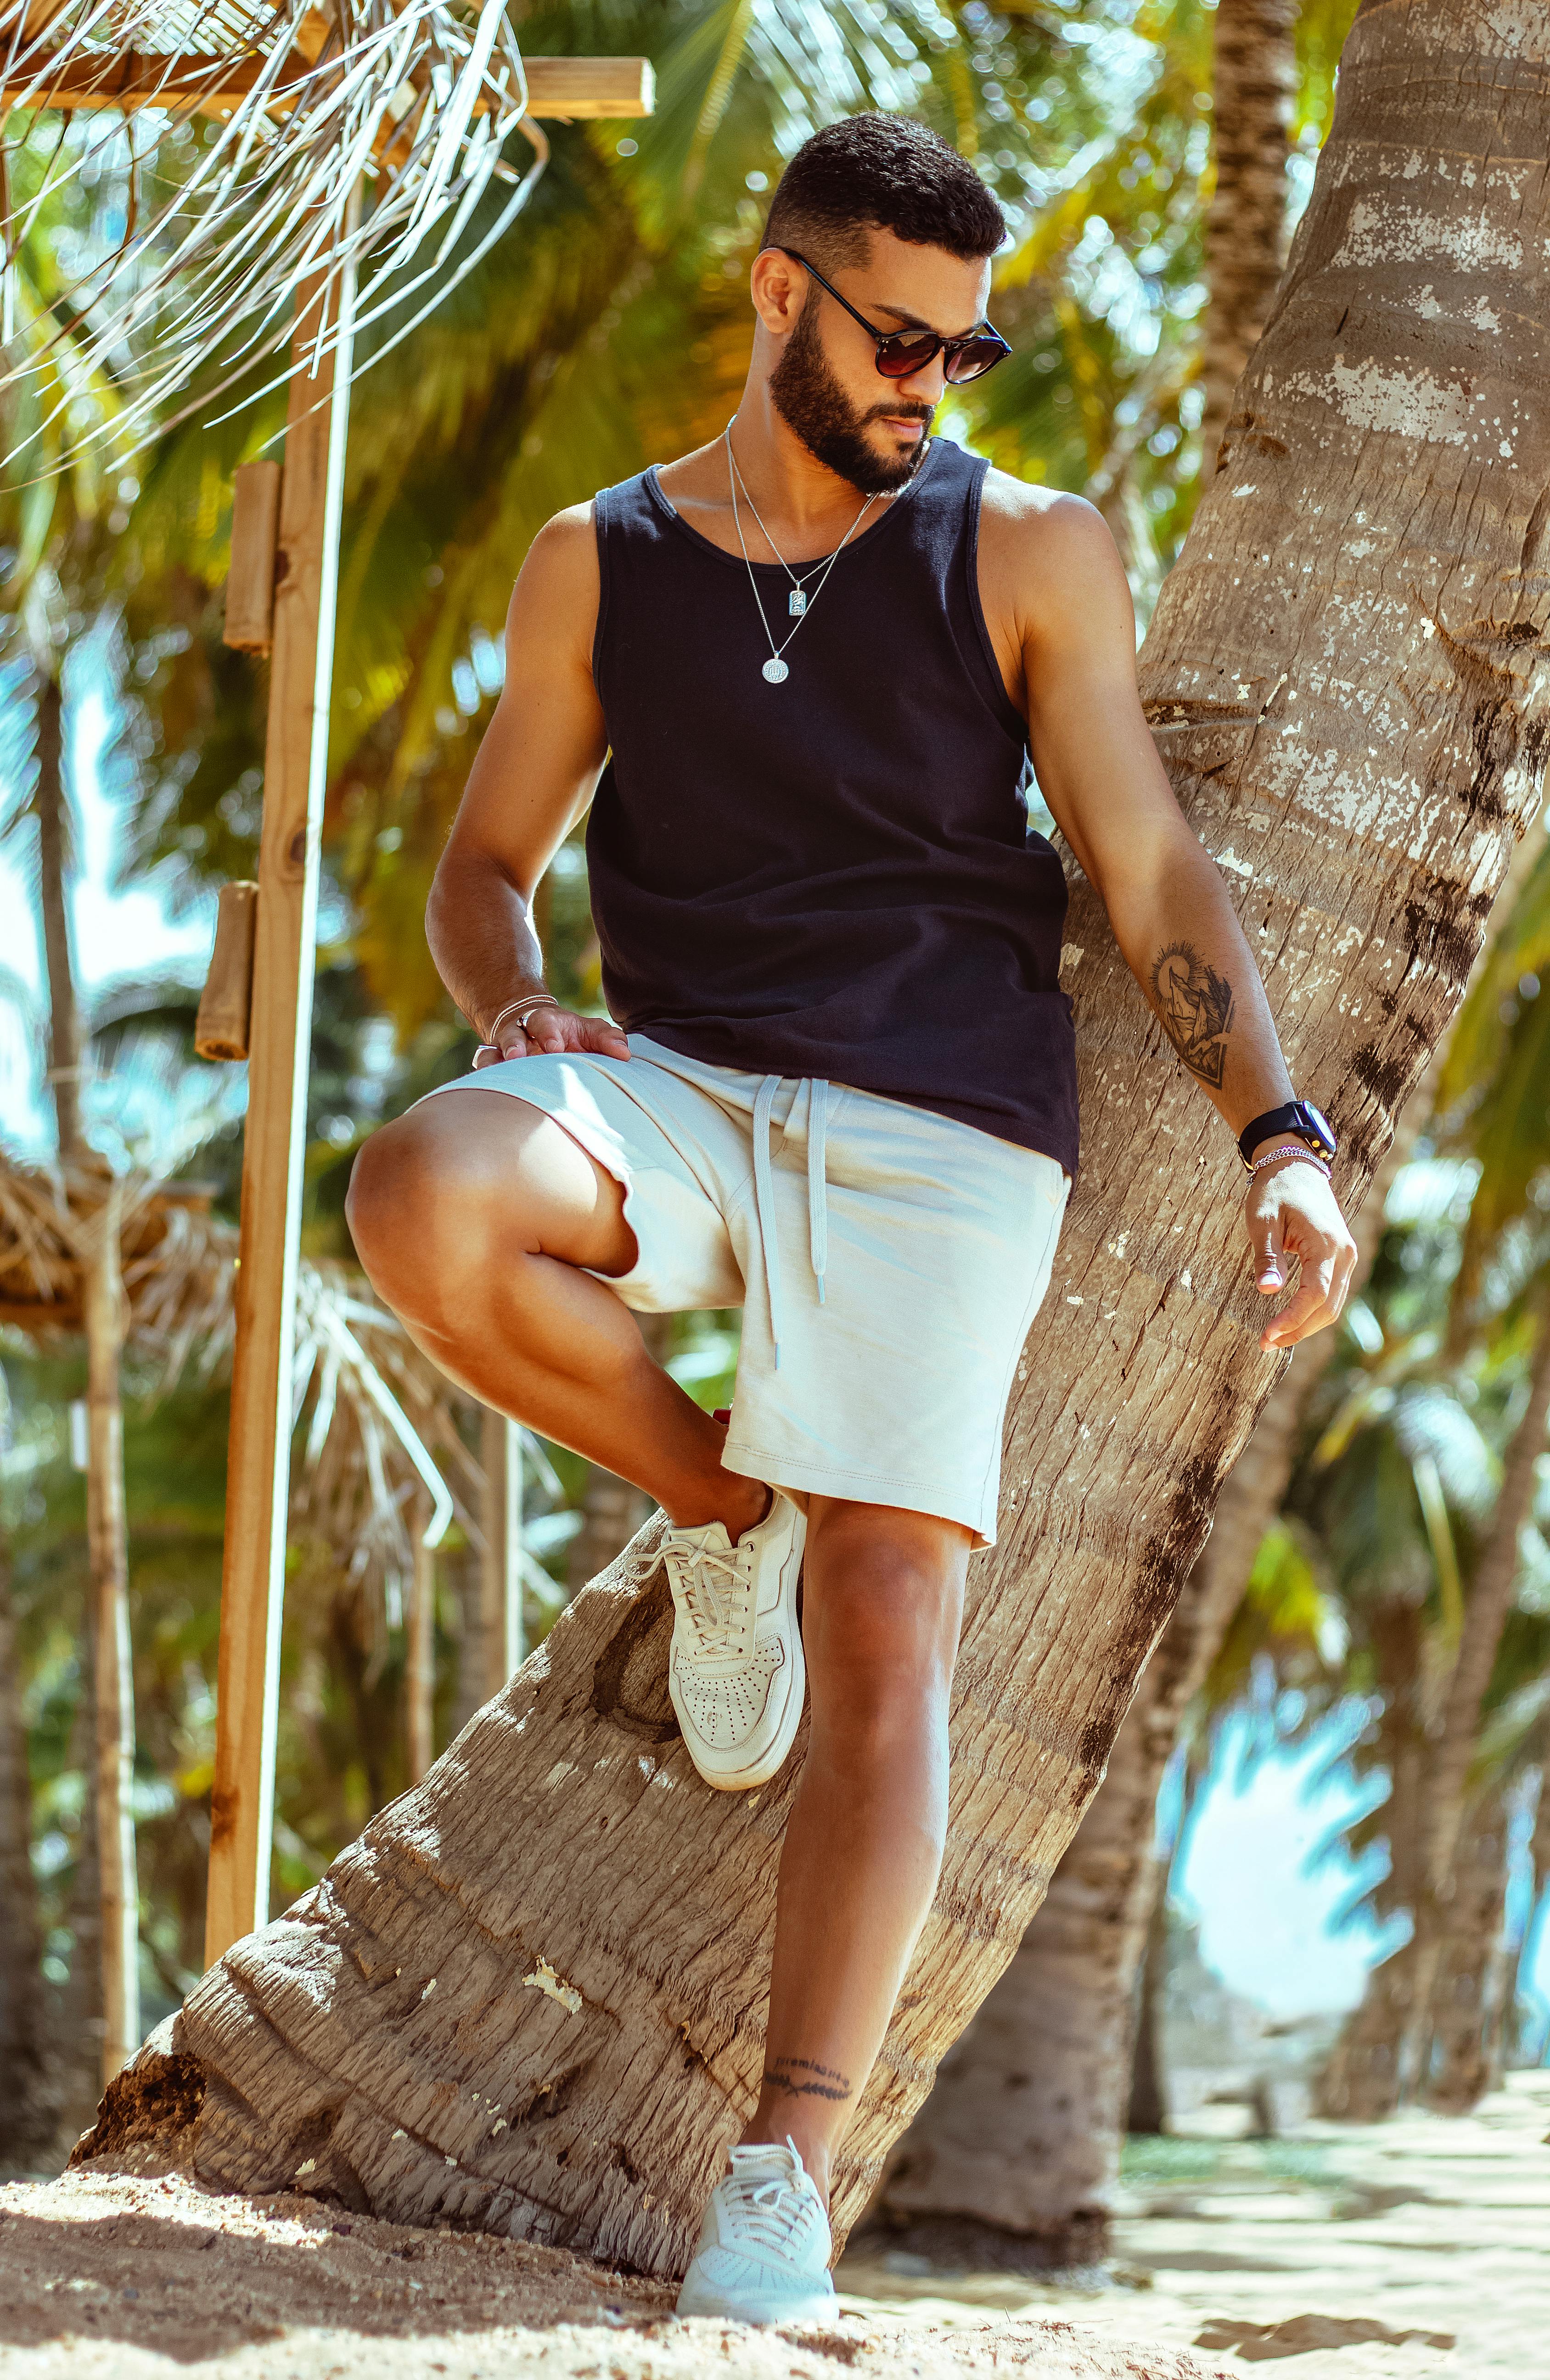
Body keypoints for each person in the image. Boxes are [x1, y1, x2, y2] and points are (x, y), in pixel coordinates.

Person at [347, 112, 1355, 2325]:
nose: (932, 386)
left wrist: (1280, 1132)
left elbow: (1147, 865)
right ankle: (722, 1512)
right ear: (778, 292)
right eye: (901, 341)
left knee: (890, 1605)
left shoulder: (1032, 549)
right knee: (424, 1188)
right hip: (688, 1093)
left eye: (966, 353)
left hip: (944, 1128)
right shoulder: (598, 560)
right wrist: (514, 1004)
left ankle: (781, 2184)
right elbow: (484, 862)